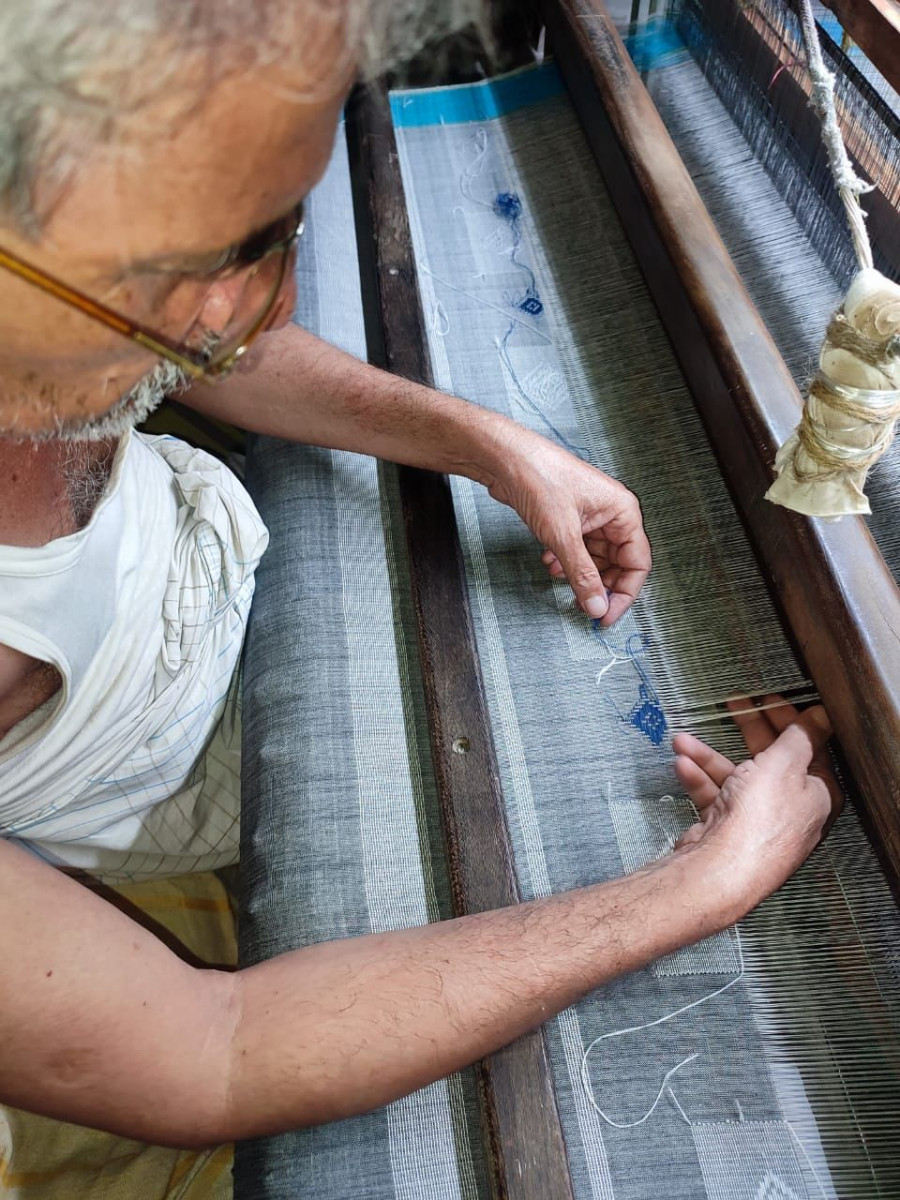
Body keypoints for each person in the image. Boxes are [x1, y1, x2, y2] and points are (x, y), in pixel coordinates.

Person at [0, 0, 839, 1148]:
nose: (276, 304)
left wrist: (487, 444)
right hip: (160, 798)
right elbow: (212, 1053)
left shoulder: (71, 312)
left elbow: (190, 352)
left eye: (276, 228)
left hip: (214, 575)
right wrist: (697, 890)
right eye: (204, 261)